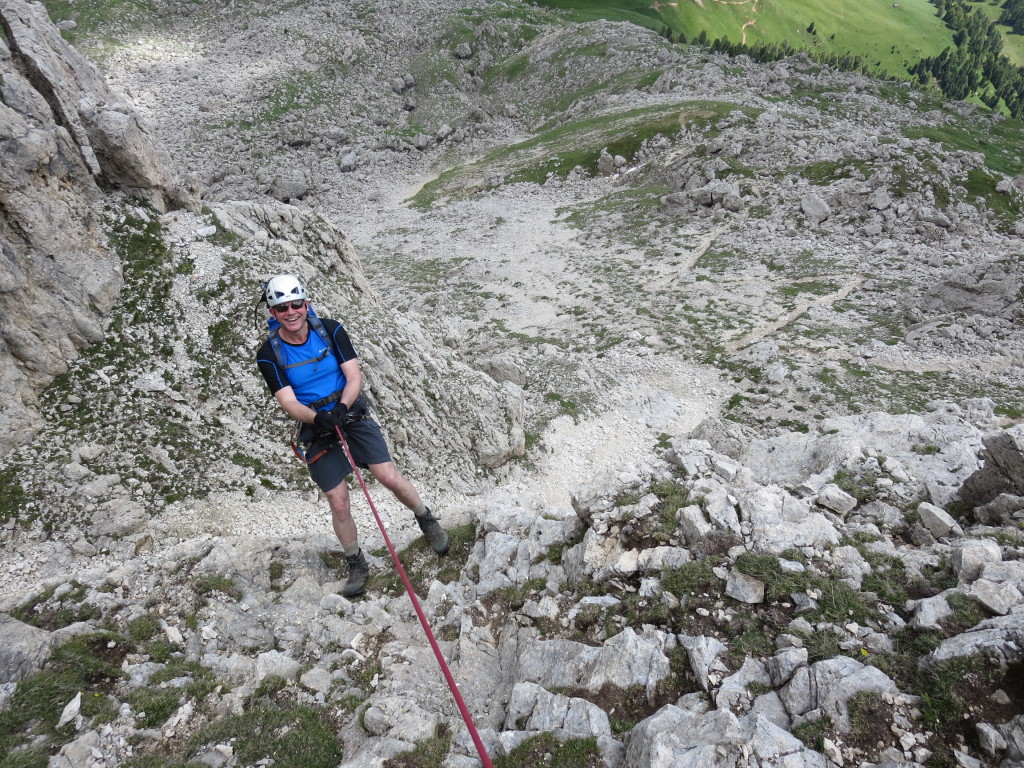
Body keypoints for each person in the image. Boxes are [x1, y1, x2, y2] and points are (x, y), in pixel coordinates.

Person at [255, 273, 449, 597]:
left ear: (306, 304)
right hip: (314, 424)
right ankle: (356, 561)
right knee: (339, 500)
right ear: (273, 313)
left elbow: (353, 375)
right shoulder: (269, 354)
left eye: (296, 305)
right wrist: (319, 417)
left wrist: (342, 408)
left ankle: (426, 518)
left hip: (350, 411)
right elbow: (289, 402)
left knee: (387, 476)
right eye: (283, 307)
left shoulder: (331, 331)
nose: (291, 312)